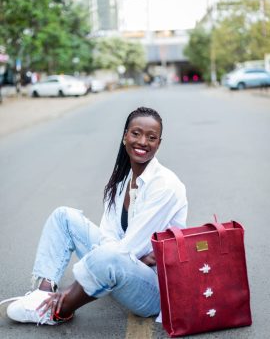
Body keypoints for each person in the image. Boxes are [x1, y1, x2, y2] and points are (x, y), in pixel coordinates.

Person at [4, 107, 187, 325]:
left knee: (110, 256)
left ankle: (59, 309)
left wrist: (80, 282)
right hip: (123, 269)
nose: (143, 142)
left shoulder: (165, 186)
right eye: (136, 133)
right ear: (125, 136)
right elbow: (112, 239)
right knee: (63, 216)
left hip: (153, 290)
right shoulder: (122, 182)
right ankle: (43, 294)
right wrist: (134, 256)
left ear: (159, 143)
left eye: (152, 137)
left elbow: (126, 250)